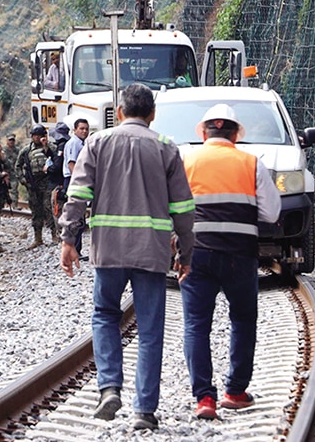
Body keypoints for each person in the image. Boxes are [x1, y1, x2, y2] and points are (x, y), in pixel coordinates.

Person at [59, 84, 196, 431]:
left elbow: (78, 194)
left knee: (105, 316)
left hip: (109, 249)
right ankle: (144, 411)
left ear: (119, 113)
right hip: (151, 251)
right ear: (152, 114)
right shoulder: (166, 147)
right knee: (150, 329)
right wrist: (186, 251)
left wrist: (68, 239)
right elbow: (183, 208)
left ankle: (109, 387)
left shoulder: (97, 143)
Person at [179, 104, 280, 420]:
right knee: (243, 319)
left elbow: (172, 209)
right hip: (240, 254)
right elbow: (272, 213)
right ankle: (235, 392)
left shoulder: (187, 161)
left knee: (196, 325)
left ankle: (204, 399)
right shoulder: (251, 163)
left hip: (197, 254)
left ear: (203, 133)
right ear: (235, 135)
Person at [15, 125, 54, 248]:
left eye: (40, 135)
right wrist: (23, 180)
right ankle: (38, 238)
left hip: (47, 183)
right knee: (36, 211)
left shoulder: (50, 147)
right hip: (33, 185)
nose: (37, 138)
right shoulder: (26, 151)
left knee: (49, 208)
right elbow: (17, 166)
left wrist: (46, 145)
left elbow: (57, 157)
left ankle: (54, 235)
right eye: (35, 136)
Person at [62, 117, 89, 252]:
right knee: (76, 217)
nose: (84, 131)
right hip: (73, 180)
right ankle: (74, 250)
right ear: (75, 130)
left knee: (79, 218)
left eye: (86, 129)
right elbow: (71, 164)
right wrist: (78, 181)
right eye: (81, 129)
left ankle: (77, 250)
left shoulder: (81, 143)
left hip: (76, 180)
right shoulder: (74, 143)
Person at [46, 121, 70, 243]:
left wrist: (47, 169)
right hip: (64, 183)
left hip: (58, 184)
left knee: (58, 211)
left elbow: (57, 166)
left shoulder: (61, 146)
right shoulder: (69, 144)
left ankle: (62, 237)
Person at [2, 133, 20, 207]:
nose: (11, 142)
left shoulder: (17, 150)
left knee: (14, 190)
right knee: (3, 191)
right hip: (5, 174)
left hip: (14, 174)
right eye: (10, 140)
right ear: (7, 140)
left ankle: (14, 206)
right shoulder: (3, 150)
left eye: (13, 140)